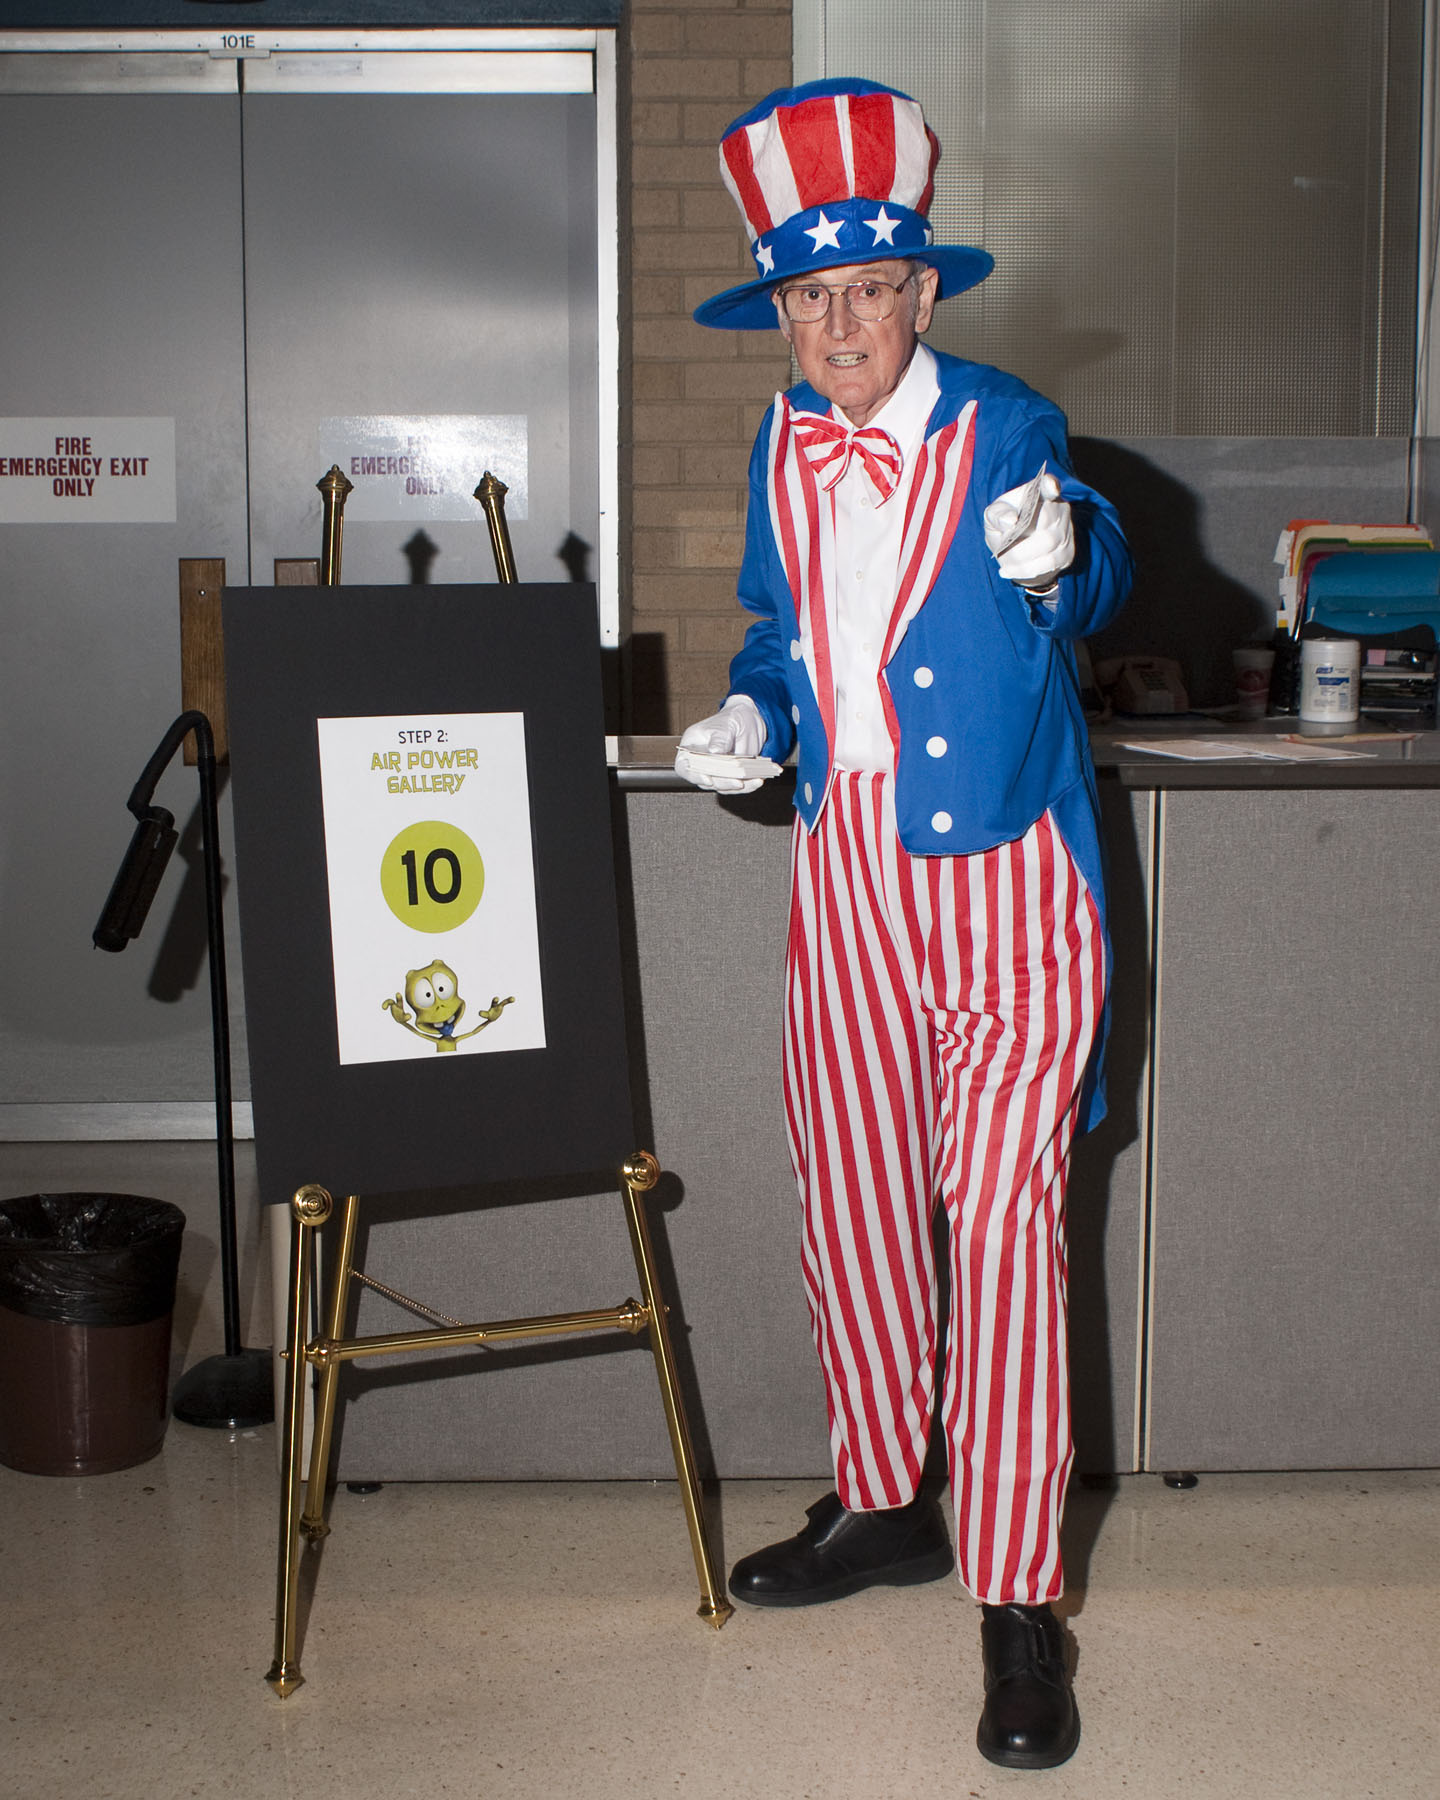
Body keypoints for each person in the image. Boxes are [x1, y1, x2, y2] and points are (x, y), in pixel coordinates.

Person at [675, 80, 1132, 1770]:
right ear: (782, 312)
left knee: (1002, 1221)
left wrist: (1055, 557)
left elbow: (1092, 567)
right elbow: (781, 627)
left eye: (872, 289)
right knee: (854, 1194)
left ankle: (1019, 1598)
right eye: (812, 297)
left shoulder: (1004, 420)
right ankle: (886, 1500)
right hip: (846, 864)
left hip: (1008, 869)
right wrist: (758, 713)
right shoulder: (780, 441)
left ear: (922, 292)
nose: (843, 326)